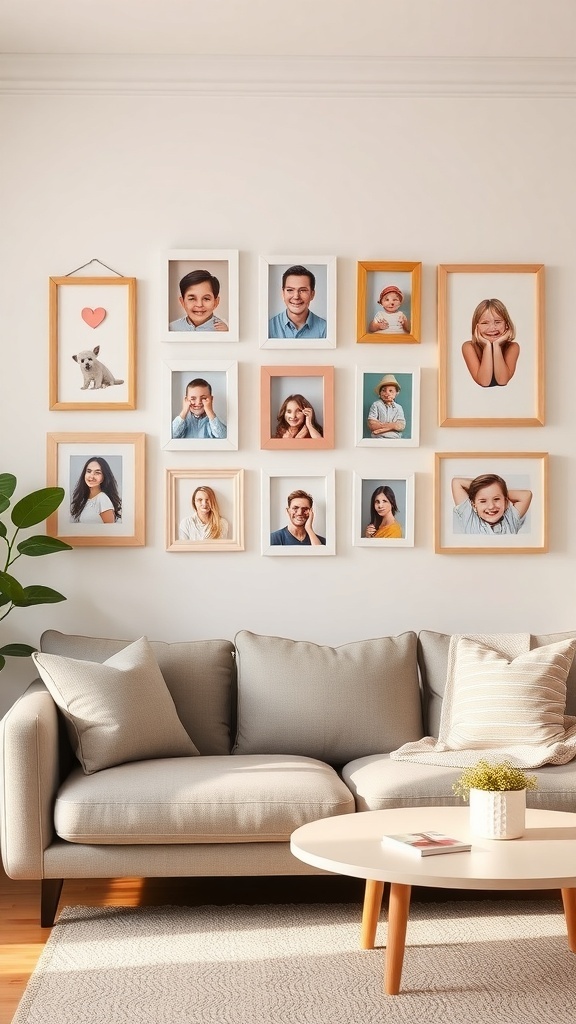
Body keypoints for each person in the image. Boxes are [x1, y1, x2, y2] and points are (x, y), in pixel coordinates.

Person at [461, 298, 519, 386]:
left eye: (498, 322)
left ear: (506, 325)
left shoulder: (513, 347)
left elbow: (502, 380)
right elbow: (484, 382)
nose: (492, 328)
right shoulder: (468, 347)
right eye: (485, 323)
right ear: (476, 326)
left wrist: (496, 345)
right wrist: (487, 346)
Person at [451, 474, 532, 534]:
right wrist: (487, 490)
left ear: (506, 502)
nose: (491, 506)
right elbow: (457, 482)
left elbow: (527, 495)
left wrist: (499, 491)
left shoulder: (510, 519)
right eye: (483, 501)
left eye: (496, 499)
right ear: (474, 506)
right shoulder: (469, 517)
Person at [268, 265, 327, 339]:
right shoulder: (268, 327)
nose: (296, 296)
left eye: (303, 290)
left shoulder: (325, 329)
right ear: (283, 293)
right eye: (290, 290)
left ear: (312, 294)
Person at [70, 457, 122, 524]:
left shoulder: (103, 499)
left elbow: (109, 531)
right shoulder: (84, 499)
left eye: (97, 473)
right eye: (89, 471)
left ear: (104, 477)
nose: (91, 476)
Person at [367, 374, 406, 439]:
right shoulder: (376, 405)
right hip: (378, 438)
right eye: (383, 390)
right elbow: (372, 424)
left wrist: (380, 429)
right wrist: (392, 426)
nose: (387, 393)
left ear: (396, 393)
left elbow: (401, 425)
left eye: (391, 391)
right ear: (380, 393)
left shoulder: (399, 408)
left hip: (395, 439)